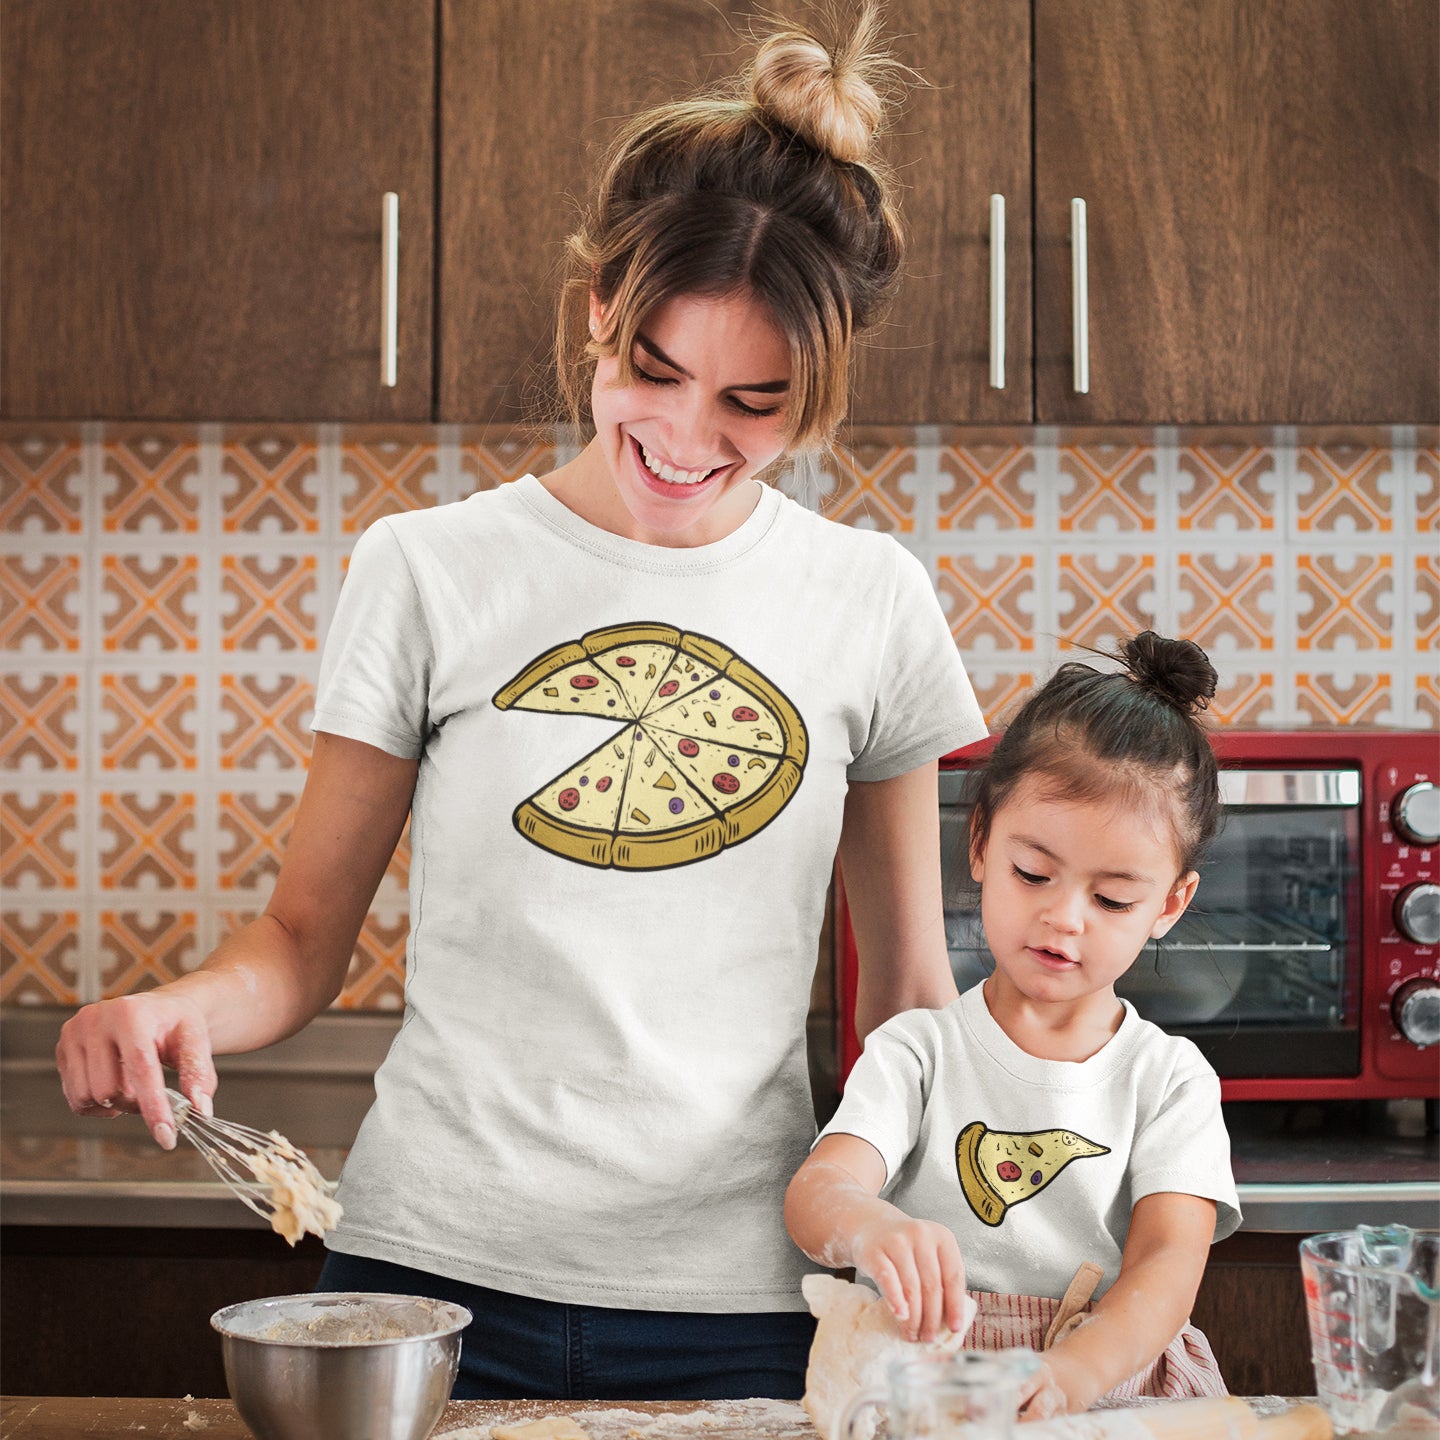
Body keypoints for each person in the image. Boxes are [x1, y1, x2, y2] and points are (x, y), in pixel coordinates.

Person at [53, 7, 986, 1403]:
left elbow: (908, 1002)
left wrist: (1002, 1220)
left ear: (825, 382)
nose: (685, 438)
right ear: (600, 308)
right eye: (654, 372)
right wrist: (172, 1005)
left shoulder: (872, 600)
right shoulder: (428, 570)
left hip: (747, 1294)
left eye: (753, 403)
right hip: (425, 1278)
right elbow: (301, 944)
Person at [785, 632, 1241, 1419]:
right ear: (981, 845)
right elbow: (818, 1191)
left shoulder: (1169, 1081)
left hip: (1107, 1391)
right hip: (930, 1394)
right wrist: (866, 1227)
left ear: (1169, 905)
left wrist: (1070, 1373)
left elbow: (1167, 1263)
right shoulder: (918, 1054)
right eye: (1034, 873)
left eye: (1112, 899)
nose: (1063, 920)